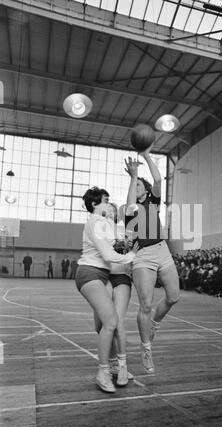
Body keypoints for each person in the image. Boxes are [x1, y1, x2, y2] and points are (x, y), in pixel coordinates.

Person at [75, 187, 137, 393]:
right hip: (90, 273)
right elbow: (108, 254)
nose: (110, 204)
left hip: (102, 275)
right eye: (105, 200)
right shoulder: (95, 221)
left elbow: (120, 239)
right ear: (94, 205)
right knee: (111, 322)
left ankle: (112, 366)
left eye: (111, 201)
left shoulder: (105, 223)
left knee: (103, 323)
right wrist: (131, 256)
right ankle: (102, 372)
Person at [125, 148, 179, 375]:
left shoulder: (154, 202)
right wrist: (134, 176)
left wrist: (146, 154)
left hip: (163, 251)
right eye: (133, 184)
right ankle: (146, 348)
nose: (134, 186)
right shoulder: (132, 208)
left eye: (138, 185)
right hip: (143, 256)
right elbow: (129, 203)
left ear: (146, 191)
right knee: (146, 305)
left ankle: (154, 324)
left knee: (173, 297)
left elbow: (158, 178)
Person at [105, 202, 134, 385]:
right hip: (103, 277)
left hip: (122, 277)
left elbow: (135, 251)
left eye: (112, 210)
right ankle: (111, 363)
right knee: (103, 325)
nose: (109, 212)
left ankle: (122, 366)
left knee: (118, 323)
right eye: (106, 210)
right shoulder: (96, 231)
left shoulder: (125, 230)